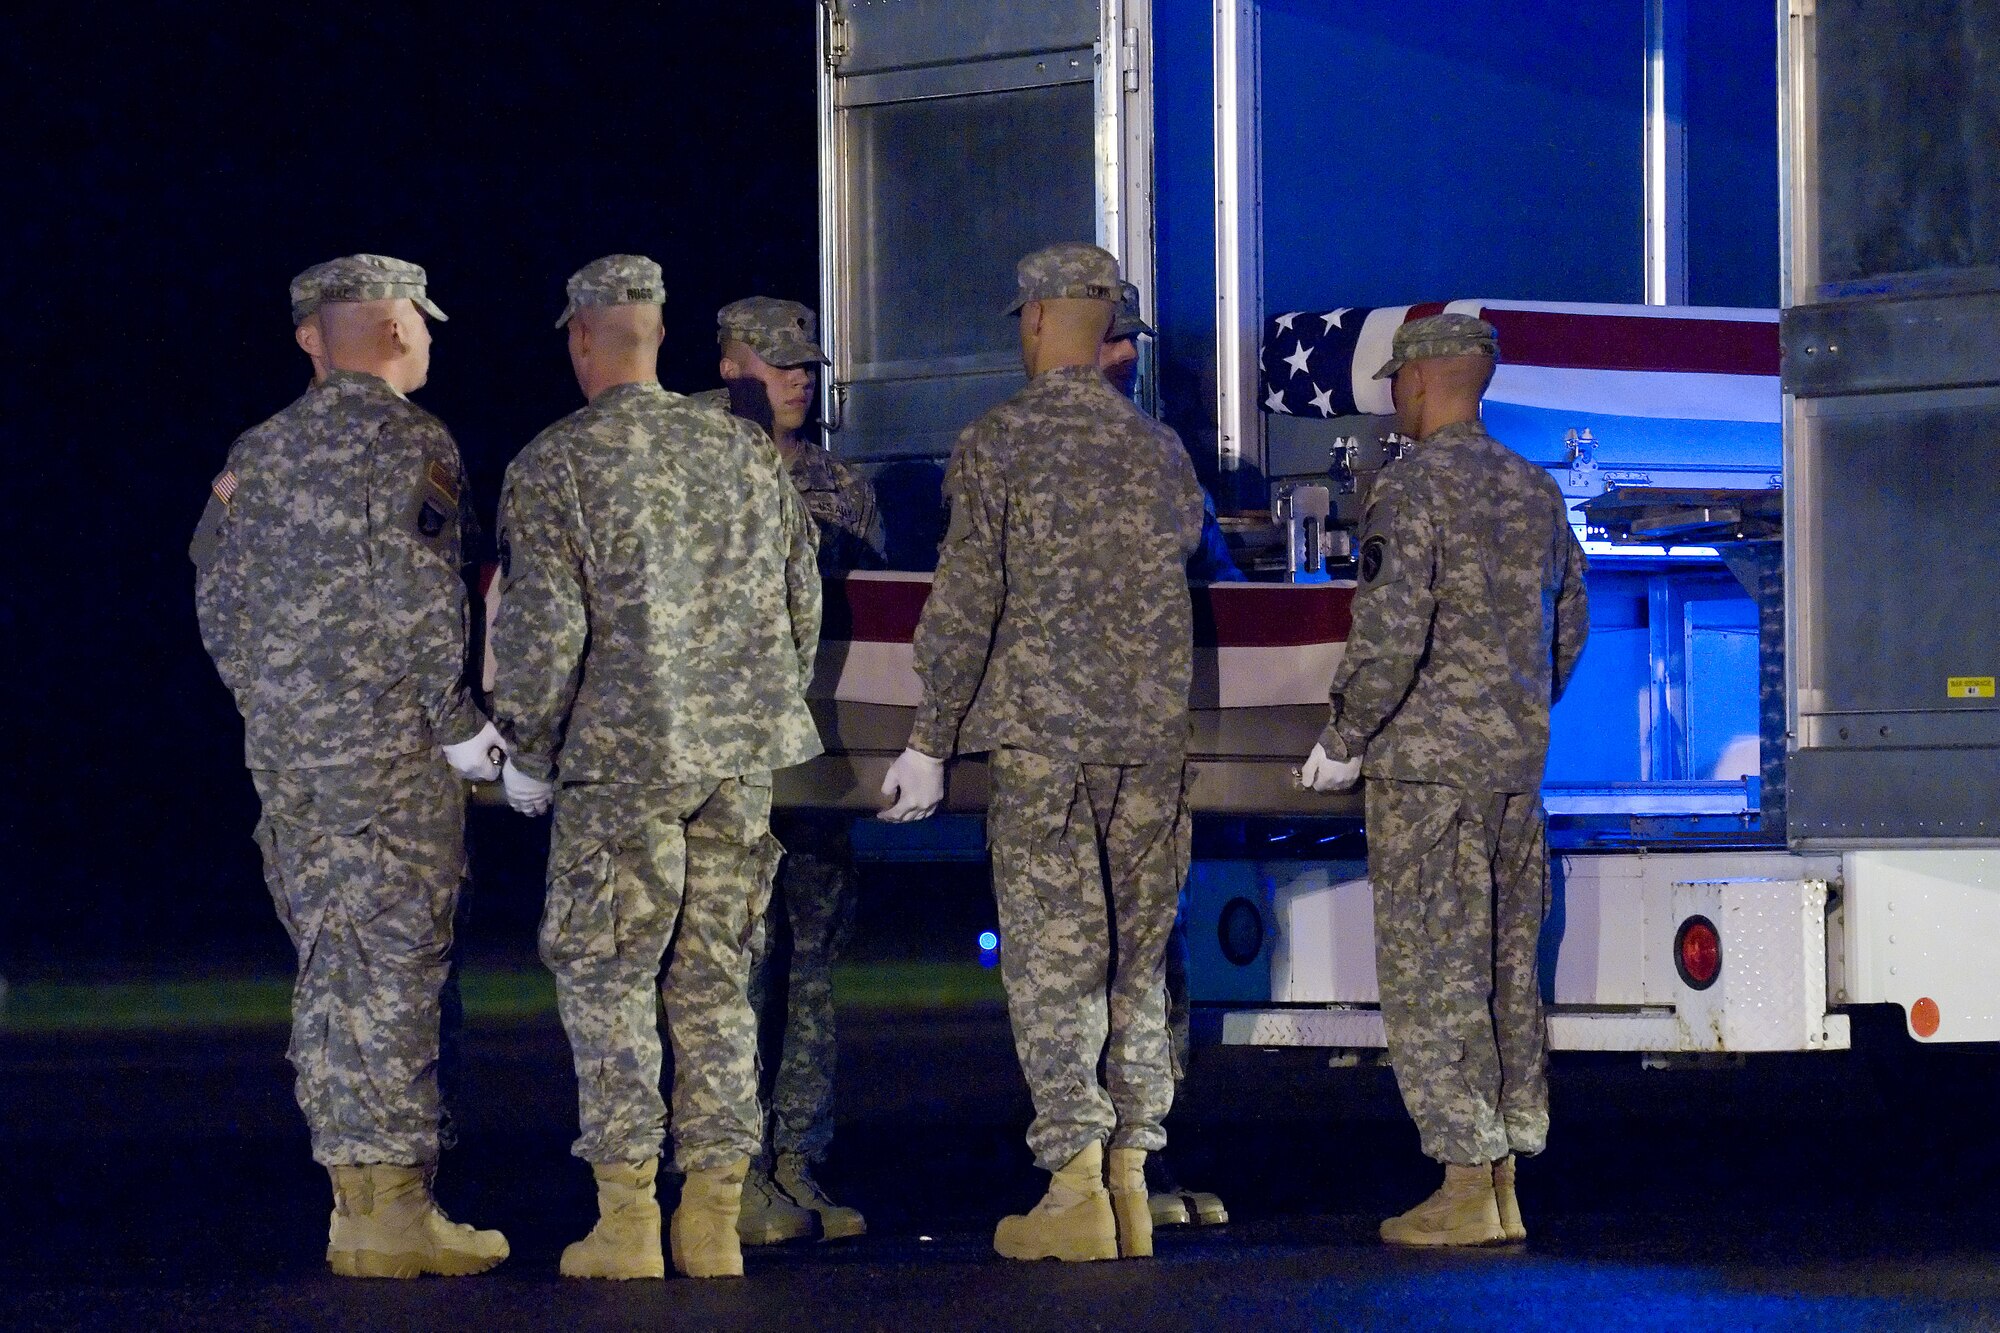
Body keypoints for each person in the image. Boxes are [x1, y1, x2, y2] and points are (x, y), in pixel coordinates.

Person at [489, 255, 822, 1280]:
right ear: (659, 335)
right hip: (734, 761)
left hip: (620, 764)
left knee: (610, 982)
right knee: (717, 984)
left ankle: (628, 1219)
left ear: (584, 337)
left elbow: (543, 632)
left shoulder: (556, 464)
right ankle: (714, 1219)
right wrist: (756, 713)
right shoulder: (743, 454)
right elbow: (798, 604)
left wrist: (523, 750)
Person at [879, 243, 1207, 1263]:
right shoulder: (1161, 453)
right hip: (1149, 748)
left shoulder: (996, 442)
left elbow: (966, 598)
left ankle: (1074, 1186)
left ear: (1031, 321)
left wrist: (929, 738)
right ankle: (1130, 1180)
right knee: (1134, 966)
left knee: (1056, 965)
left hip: (1045, 746)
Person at [191, 254, 510, 1278]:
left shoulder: (257, 451)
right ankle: (397, 1211)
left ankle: (354, 1206)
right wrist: (459, 724)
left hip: (292, 763)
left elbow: (215, 601)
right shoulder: (410, 439)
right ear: (394, 326)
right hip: (390, 755)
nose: (428, 338)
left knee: (330, 972)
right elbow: (425, 598)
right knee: (399, 972)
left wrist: (280, 710)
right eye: (421, 321)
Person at [1298, 313, 1590, 1247]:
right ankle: (1500, 1174)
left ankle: (1465, 1180)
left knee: (1434, 970)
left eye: (1395, 380)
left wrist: (1346, 735)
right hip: (1512, 769)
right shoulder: (1534, 488)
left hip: (1427, 775)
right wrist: (1514, 710)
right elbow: (1570, 625)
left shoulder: (1411, 488)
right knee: (1508, 972)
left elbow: (1390, 631)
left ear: (1422, 381)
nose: (1392, 396)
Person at [707, 297, 874, 1245]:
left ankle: (795, 1160)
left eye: (807, 364)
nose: (800, 379)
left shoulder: (834, 482)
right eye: (779, 365)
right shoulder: (687, 462)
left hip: (808, 765)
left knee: (809, 966)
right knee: (730, 971)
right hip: (723, 756)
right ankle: (726, 1169)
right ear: (730, 363)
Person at [1095, 283, 1235, 1232]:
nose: (1127, 360)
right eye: (1114, 343)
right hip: (1121, 751)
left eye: (1131, 344)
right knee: (1109, 967)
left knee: (1142, 966)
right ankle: (1108, 1170)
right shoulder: (1154, 456)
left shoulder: (1155, 454)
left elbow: (1212, 566)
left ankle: (1136, 1163)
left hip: (1122, 759)